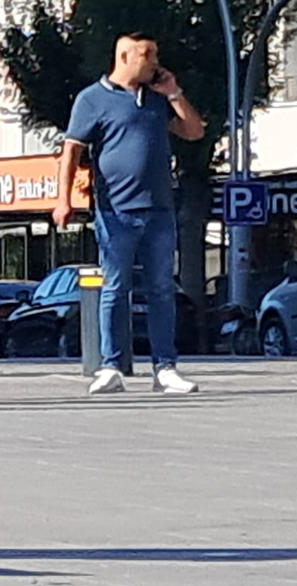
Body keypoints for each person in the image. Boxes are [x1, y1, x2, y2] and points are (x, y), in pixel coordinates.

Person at [54, 32, 206, 396]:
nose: (154, 62)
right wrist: (64, 199)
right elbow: (71, 151)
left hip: (159, 209)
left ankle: (165, 368)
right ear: (124, 57)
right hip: (116, 211)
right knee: (115, 287)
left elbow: (194, 131)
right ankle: (111, 366)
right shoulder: (92, 99)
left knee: (162, 289)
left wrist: (174, 93)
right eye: (147, 55)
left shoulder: (156, 99)